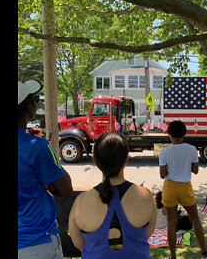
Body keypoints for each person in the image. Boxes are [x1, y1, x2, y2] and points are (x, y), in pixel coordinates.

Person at [68, 132, 157, 258]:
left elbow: (78, 243)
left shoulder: (81, 202)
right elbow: (146, 235)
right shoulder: (145, 196)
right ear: (126, 160)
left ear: (96, 161)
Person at [18, 80, 73, 259]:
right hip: (35, 241)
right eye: (35, 99)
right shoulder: (37, 146)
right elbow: (65, 189)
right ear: (29, 107)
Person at [159, 120, 207, 259]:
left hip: (170, 187)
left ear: (169, 134)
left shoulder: (164, 151)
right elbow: (195, 171)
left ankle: (172, 256)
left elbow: (162, 174)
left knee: (171, 223)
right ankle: (204, 252)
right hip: (185, 186)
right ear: (184, 133)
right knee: (195, 220)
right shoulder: (191, 150)